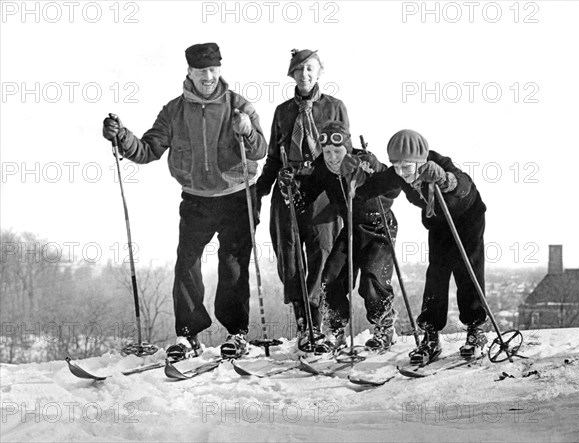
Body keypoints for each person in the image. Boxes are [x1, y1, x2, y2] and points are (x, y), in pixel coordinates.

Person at [102, 42, 268, 360]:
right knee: (186, 264)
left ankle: (237, 334)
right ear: (189, 71)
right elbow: (148, 149)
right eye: (201, 70)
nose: (208, 75)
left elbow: (260, 149)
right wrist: (121, 136)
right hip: (196, 199)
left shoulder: (239, 105)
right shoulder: (174, 111)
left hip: (237, 196)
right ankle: (188, 336)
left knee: (232, 267)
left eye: (213, 69)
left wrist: (247, 131)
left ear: (220, 70)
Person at [278, 121, 400, 353]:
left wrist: (378, 170)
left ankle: (384, 326)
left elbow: (394, 189)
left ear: (347, 148)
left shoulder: (363, 161)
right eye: (327, 152)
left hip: (379, 227)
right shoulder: (323, 169)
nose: (332, 158)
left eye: (337, 151)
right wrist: (290, 189)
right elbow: (302, 200)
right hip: (351, 230)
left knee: (372, 279)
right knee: (330, 277)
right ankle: (336, 332)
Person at [256, 49, 348, 352]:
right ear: (292, 75)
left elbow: (343, 152)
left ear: (319, 71)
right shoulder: (283, 112)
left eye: (310, 69)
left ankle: (317, 323)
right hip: (289, 190)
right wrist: (260, 190)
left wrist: (348, 192)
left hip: (323, 192)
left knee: (323, 253)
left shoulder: (335, 107)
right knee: (290, 258)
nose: (304, 75)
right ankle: (304, 326)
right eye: (298, 70)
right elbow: (272, 157)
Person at [371, 129, 488, 364]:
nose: (402, 174)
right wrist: (355, 174)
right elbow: (372, 185)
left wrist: (446, 179)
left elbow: (463, 185)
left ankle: (476, 330)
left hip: (466, 219)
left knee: (467, 271)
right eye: (397, 166)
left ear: (421, 161)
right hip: (439, 223)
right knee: (436, 274)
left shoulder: (439, 164)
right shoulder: (399, 173)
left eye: (407, 167)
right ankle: (431, 336)